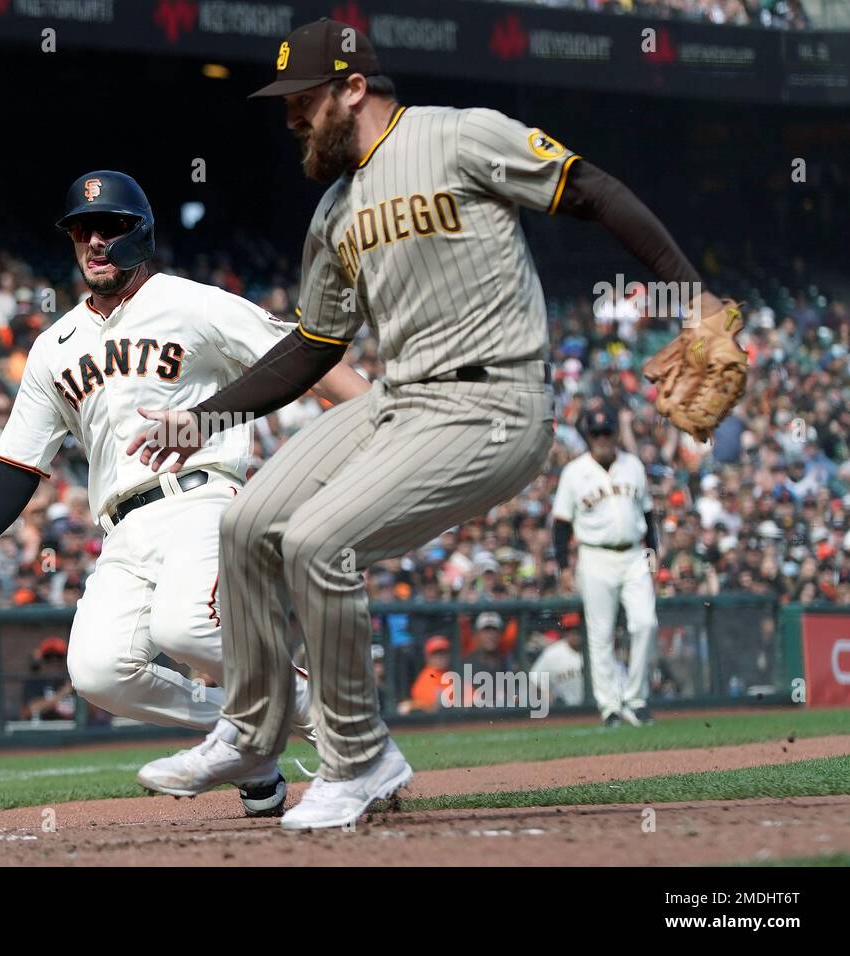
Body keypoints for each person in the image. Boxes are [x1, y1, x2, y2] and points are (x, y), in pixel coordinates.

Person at [131, 18, 724, 829]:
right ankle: (251, 732)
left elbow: (589, 188)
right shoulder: (335, 212)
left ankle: (360, 755)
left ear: (352, 88)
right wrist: (204, 418)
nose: (293, 118)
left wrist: (688, 294)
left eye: (304, 100)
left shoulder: (461, 136)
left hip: (495, 401)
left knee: (317, 543)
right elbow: (313, 346)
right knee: (248, 524)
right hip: (403, 399)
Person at [0, 170, 368, 817]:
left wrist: (385, 418)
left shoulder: (193, 302)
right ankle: (253, 747)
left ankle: (344, 726)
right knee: (99, 673)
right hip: (122, 527)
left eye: (109, 227)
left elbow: (302, 355)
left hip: (203, 496)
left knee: (189, 626)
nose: (94, 241)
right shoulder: (54, 346)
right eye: (82, 230)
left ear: (139, 233)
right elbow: (19, 464)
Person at [552, 406, 659, 726]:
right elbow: (560, 524)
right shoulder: (574, 472)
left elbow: (650, 515)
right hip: (594, 556)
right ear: (588, 436)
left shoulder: (633, 465)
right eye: (596, 433)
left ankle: (635, 699)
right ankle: (609, 705)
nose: (601, 438)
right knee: (601, 634)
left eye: (606, 431)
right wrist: (564, 566)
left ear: (614, 433)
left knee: (645, 623)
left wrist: (653, 556)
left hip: (633, 556)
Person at [529, 612, 586, 708]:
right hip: (566, 710)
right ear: (564, 632)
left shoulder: (595, 649)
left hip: (595, 709)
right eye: (570, 630)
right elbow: (534, 679)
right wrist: (545, 695)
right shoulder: (553, 653)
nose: (575, 633)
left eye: (578, 629)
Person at [20, 637, 76, 722]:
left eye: (59, 657)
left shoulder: (75, 681)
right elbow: (28, 711)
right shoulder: (35, 682)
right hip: (45, 732)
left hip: (74, 732)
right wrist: (63, 693)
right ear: (42, 661)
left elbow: (95, 711)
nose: (54, 661)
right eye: (48, 657)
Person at [398, 635, 452, 714]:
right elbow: (431, 706)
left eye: (443, 653)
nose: (440, 657)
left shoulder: (451, 674)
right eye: (436, 654)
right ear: (427, 657)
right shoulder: (427, 677)